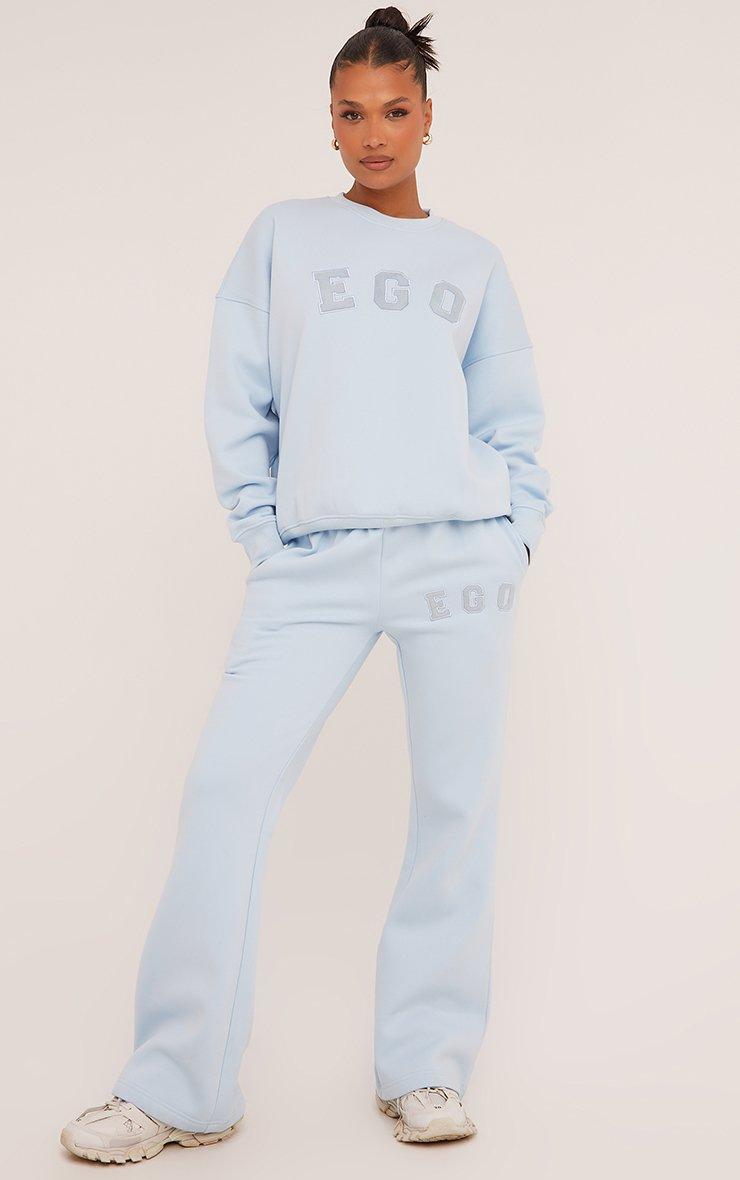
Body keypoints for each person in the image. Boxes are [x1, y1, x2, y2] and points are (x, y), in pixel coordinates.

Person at [60, 7, 553, 1164]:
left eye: (393, 111)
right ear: (328, 123)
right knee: (224, 794)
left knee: (455, 809)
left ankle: (424, 1065)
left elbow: (511, 417)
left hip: (454, 561)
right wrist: (263, 532)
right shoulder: (281, 235)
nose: (372, 134)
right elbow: (238, 393)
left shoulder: (472, 261)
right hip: (312, 566)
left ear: (426, 119)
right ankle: (179, 1085)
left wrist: (511, 538)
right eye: (350, 112)